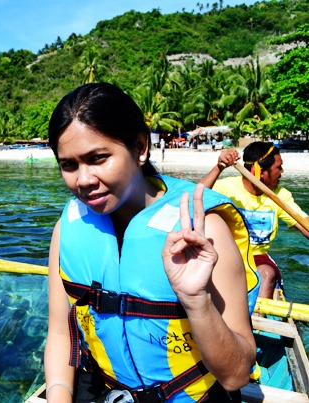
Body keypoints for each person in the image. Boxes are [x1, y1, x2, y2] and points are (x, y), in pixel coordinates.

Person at [44, 83, 257, 402]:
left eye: (98, 158)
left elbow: (237, 374)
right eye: (69, 165)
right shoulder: (67, 229)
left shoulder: (202, 229)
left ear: (141, 148)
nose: (83, 180)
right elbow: (61, 333)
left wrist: (196, 300)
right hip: (107, 390)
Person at [200, 143, 309, 299]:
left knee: (267, 273)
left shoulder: (279, 196)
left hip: (258, 258)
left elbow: (304, 223)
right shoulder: (227, 188)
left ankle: (258, 317)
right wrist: (219, 168)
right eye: (279, 167)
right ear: (262, 172)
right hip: (227, 253)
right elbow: (195, 198)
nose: (282, 172)